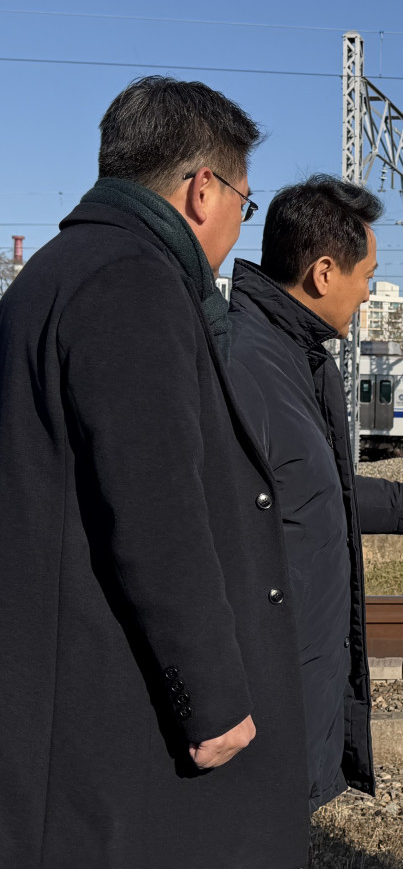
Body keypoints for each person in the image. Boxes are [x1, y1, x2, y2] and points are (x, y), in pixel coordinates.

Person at [0, 77, 310, 867]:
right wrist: (212, 697)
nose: (240, 222)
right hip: (115, 715)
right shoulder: (133, 281)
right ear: (203, 190)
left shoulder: (60, 270)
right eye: (244, 200)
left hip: (65, 688)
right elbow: (155, 505)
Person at [226, 175, 403, 813]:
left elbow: (311, 489)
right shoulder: (247, 365)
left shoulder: (297, 356)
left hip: (297, 676)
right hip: (266, 692)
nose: (370, 292)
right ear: (324, 273)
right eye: (368, 275)